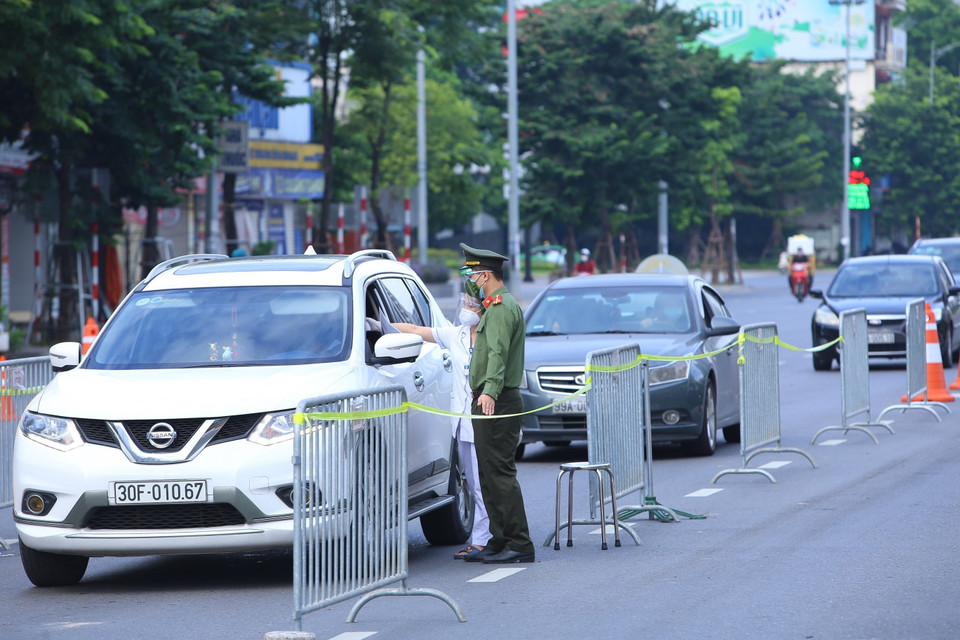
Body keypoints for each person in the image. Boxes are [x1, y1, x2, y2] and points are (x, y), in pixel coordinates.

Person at [388, 296, 492, 561]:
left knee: (485, 485)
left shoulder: (492, 335)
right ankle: (483, 539)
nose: (466, 309)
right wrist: (379, 324)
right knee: (475, 483)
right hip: (462, 422)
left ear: (483, 307)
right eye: (464, 304)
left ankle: (486, 540)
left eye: (471, 304)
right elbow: (415, 331)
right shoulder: (454, 334)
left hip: (486, 420)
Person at [458, 243, 535, 564]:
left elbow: (498, 354)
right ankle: (499, 538)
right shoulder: (491, 306)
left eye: (471, 273)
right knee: (487, 474)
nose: (468, 279)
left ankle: (519, 542)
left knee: (499, 472)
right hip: (489, 399)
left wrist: (488, 390)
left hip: (498, 400)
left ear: (485, 274)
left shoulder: (502, 309)